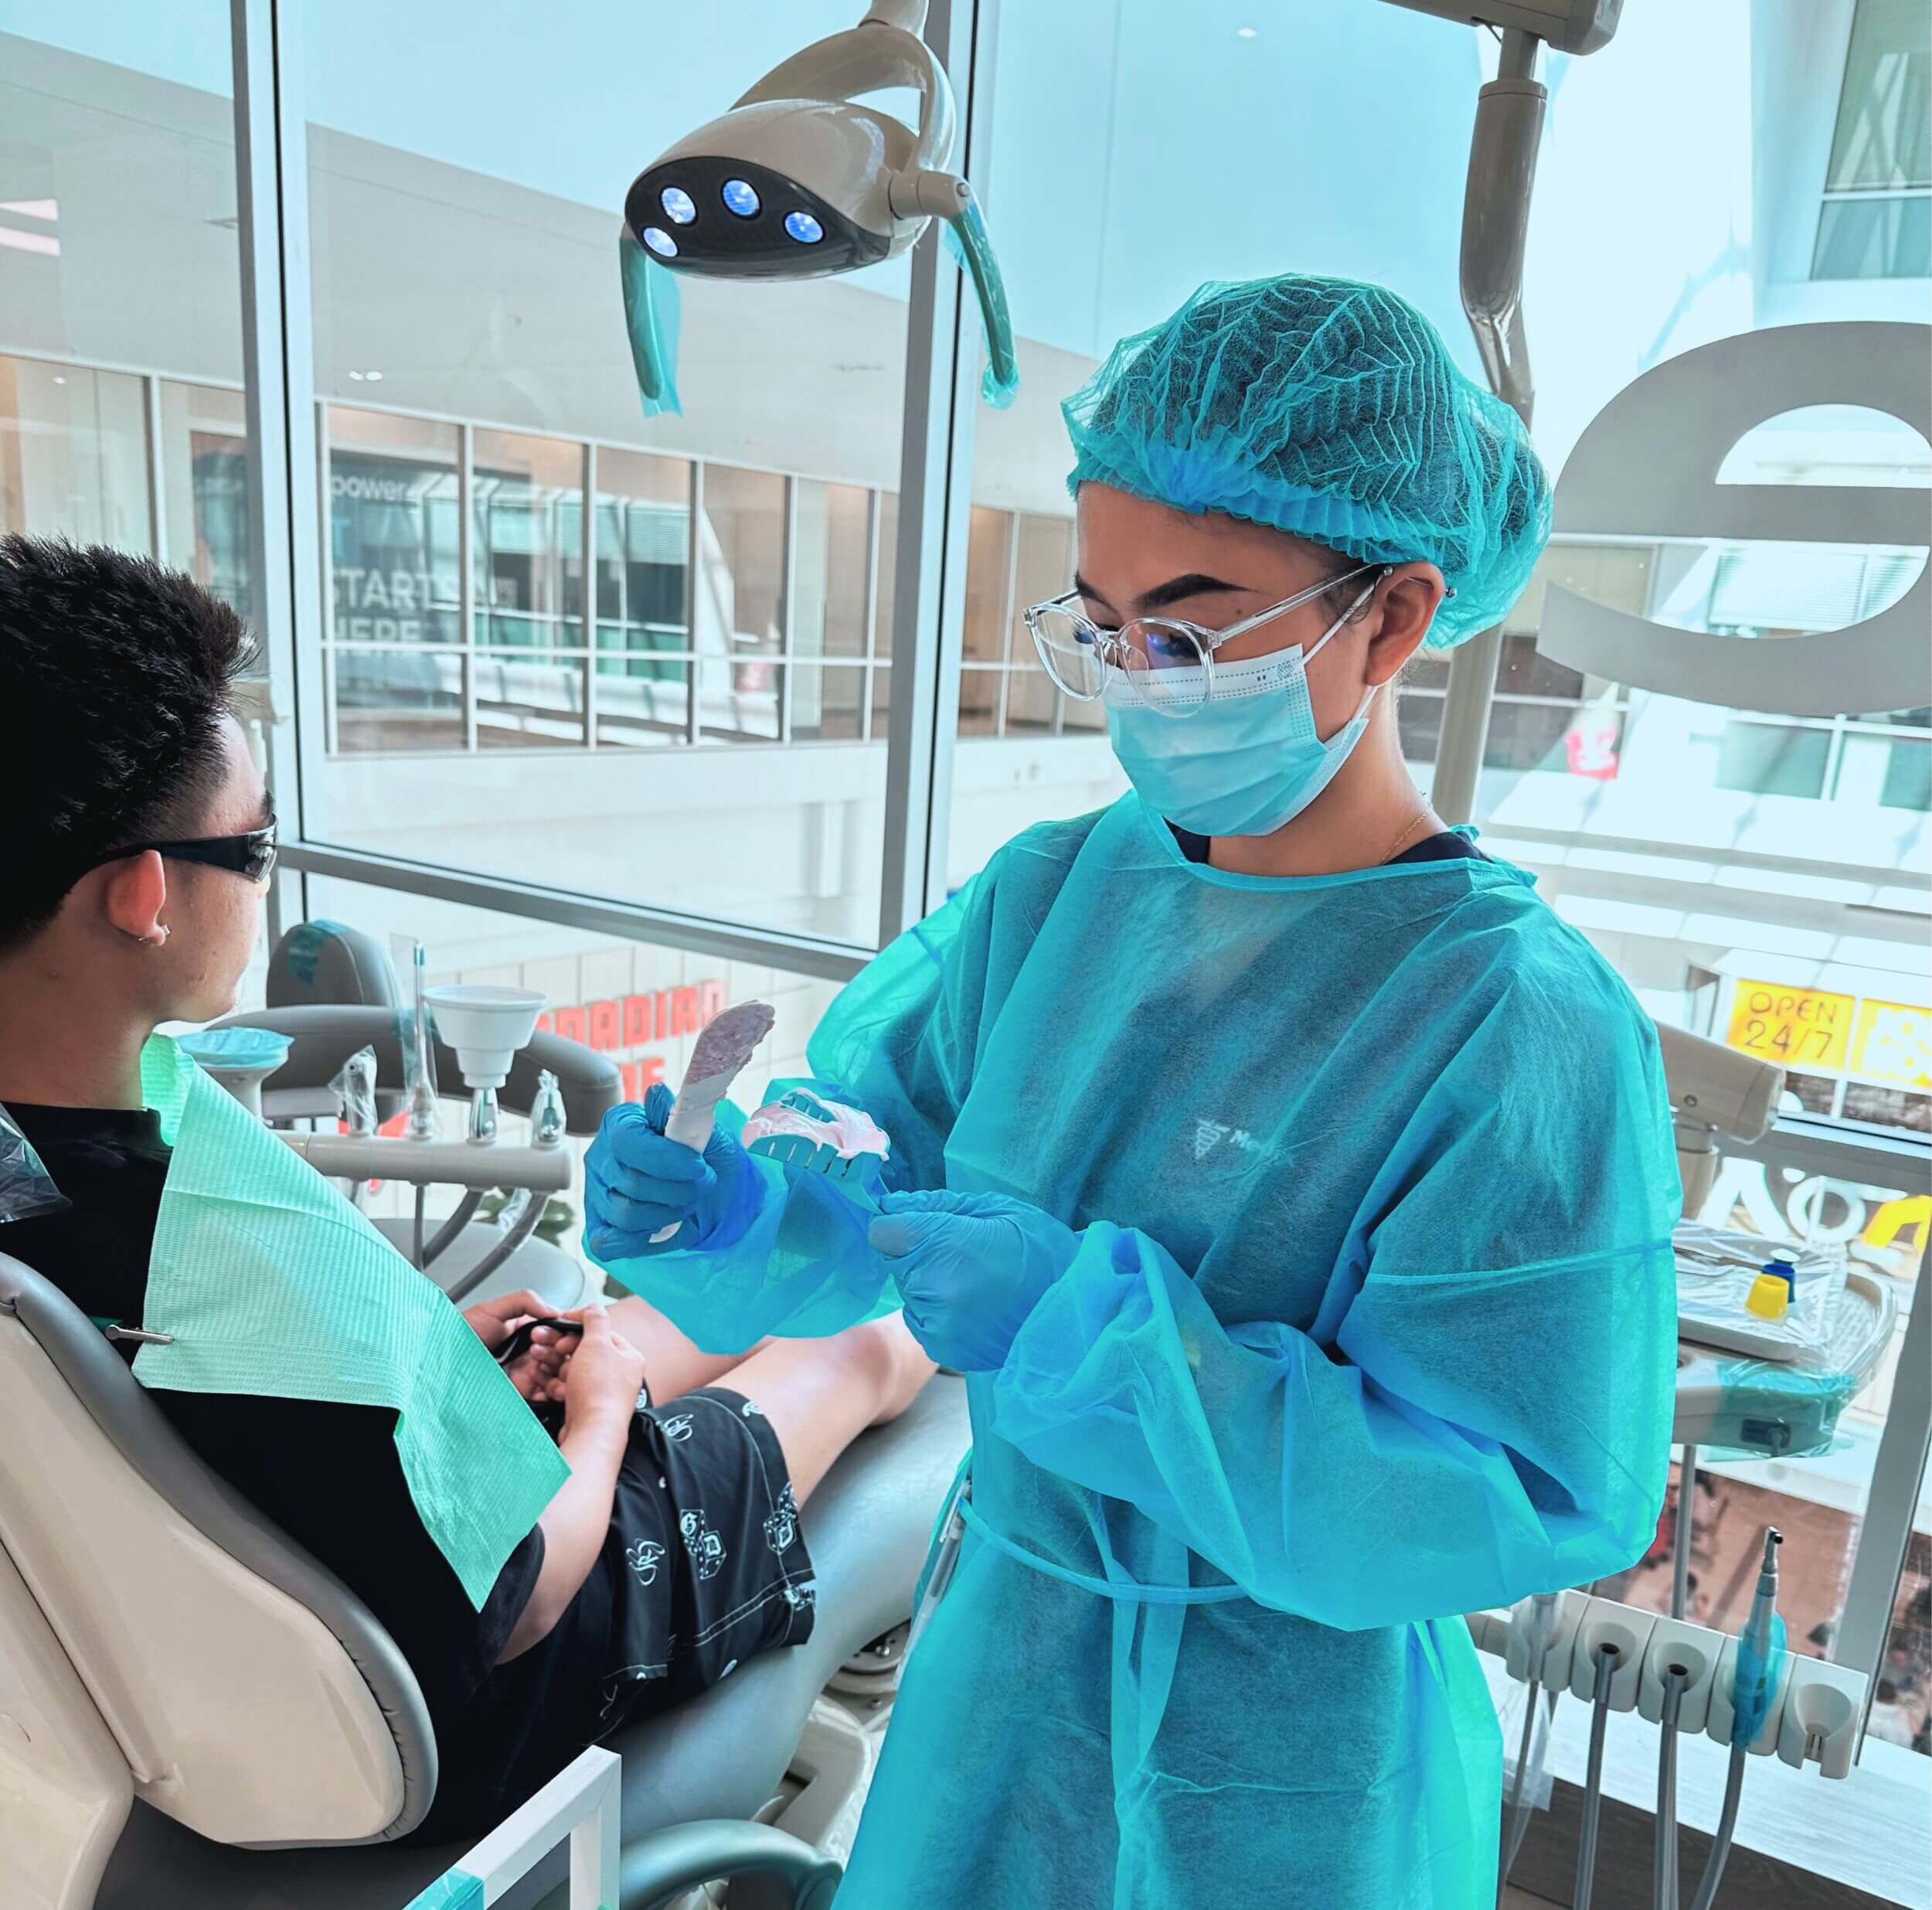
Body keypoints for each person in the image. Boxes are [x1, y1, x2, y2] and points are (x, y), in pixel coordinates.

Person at [583, 274, 1681, 1908]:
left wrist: (1093, 1335)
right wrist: (748, 1207)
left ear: (1387, 618)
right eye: (1101, 623)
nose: (1135, 674)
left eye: (1191, 621)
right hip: (997, 1685)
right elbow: (881, 1191)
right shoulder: (1051, 903)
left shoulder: (1513, 1028)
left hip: (1285, 1773)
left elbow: (1513, 1490)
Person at [0, 534, 933, 1841]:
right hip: (454, 1706)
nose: (260, 883)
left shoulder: (68, 1188)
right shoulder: (205, 1261)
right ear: (144, 895)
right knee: (839, 1348)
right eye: (253, 849)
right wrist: (600, 1422)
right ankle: (900, 1346)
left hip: (233, 1609)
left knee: (619, 1330)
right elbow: (523, 1596)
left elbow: (259, 1424)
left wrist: (436, 1364)